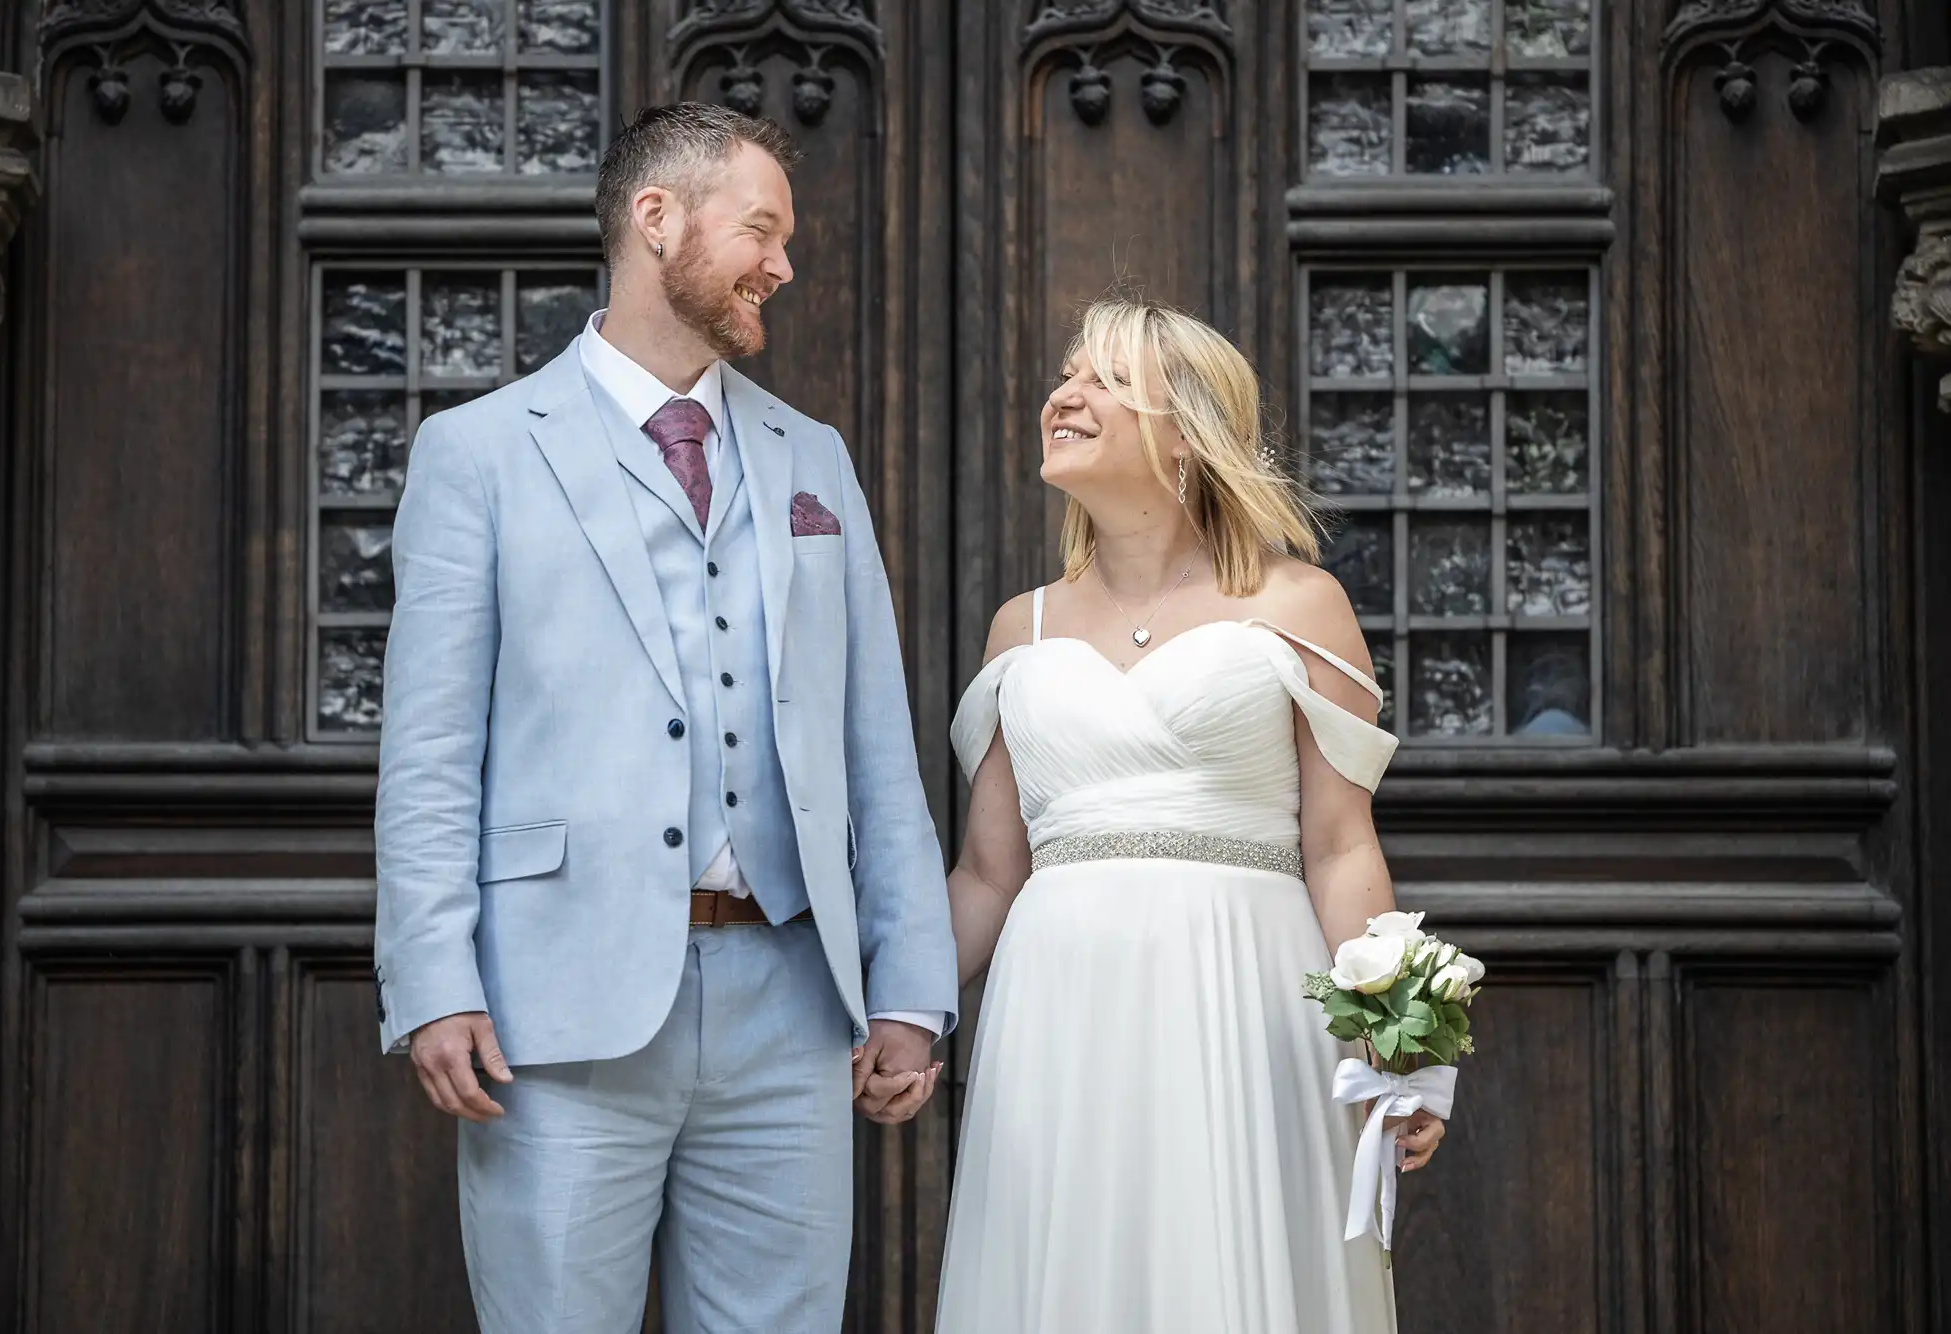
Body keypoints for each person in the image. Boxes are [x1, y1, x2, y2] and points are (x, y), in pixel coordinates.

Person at [371, 102, 957, 1334]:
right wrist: (432, 976)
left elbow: (873, 752)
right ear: (656, 219)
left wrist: (907, 989)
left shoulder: (815, 461)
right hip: (557, 1005)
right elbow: (428, 752)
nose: (783, 265)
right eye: (760, 230)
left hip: (789, 999)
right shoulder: (478, 452)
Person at [935, 295, 1446, 1333]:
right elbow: (988, 872)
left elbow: (1340, 844)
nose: (1062, 395)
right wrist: (893, 1008)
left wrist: (1411, 1039)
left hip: (1241, 994)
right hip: (1055, 1012)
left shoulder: (1297, 603)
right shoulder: (1016, 627)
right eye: (1065, 373)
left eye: (1104, 380)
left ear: (1185, 433)